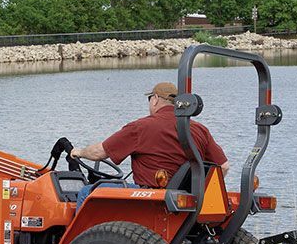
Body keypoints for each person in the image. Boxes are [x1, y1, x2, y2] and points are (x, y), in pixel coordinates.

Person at [71, 81, 229, 206]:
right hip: (190, 199)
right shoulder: (199, 129)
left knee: (87, 192)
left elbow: (99, 152)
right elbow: (223, 167)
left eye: (150, 99)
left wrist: (79, 152)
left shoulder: (140, 127)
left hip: (151, 198)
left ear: (155, 99)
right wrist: (199, 191)